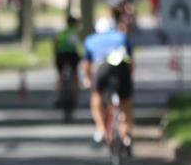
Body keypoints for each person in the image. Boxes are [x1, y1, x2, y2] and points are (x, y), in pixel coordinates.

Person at [84, 14, 135, 152]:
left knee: (97, 97)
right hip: (122, 67)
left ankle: (101, 129)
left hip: (103, 68)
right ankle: (126, 135)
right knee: (126, 104)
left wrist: (89, 79)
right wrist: (129, 78)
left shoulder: (90, 40)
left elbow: (87, 65)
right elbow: (131, 61)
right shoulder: (122, 36)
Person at [53, 15, 82, 102]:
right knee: (75, 72)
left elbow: (55, 43)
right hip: (72, 54)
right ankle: (76, 95)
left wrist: (55, 54)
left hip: (61, 54)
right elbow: (78, 46)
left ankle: (58, 94)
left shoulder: (61, 32)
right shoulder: (75, 32)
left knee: (60, 75)